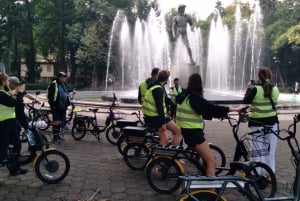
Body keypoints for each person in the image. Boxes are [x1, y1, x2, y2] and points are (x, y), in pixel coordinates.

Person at [176, 73, 243, 176]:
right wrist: (234, 109)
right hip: (194, 135)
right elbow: (211, 107)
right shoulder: (194, 98)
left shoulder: (185, 96)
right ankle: (210, 189)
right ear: (199, 84)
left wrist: (219, 115)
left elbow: (202, 111)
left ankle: (205, 176)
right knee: (211, 162)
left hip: (188, 133)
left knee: (207, 159)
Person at [243, 67, 279, 174]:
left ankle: (256, 174)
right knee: (270, 151)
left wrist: (249, 88)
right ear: (270, 76)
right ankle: (270, 174)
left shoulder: (255, 90)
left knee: (256, 151)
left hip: (256, 125)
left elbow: (245, 101)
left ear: (259, 77)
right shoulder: (276, 89)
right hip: (272, 124)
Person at [142, 70, 182, 146]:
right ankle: (165, 156)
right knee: (167, 137)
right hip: (156, 117)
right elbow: (159, 106)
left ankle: (169, 153)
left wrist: (175, 106)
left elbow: (165, 99)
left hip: (153, 116)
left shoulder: (154, 86)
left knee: (176, 131)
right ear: (166, 80)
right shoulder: (158, 89)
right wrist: (163, 123)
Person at [0, 72, 27, 176]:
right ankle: (13, 168)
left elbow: (11, 95)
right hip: (4, 125)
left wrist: (17, 90)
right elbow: (14, 103)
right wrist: (19, 92)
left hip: (9, 124)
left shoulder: (3, 92)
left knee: (16, 146)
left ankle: (14, 168)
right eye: (7, 80)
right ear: (3, 82)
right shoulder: (1, 93)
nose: (8, 82)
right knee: (2, 152)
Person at [47, 72, 71, 143]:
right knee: (56, 122)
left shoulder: (64, 84)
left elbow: (65, 92)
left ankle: (58, 136)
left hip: (63, 106)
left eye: (65, 77)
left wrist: (72, 91)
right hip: (56, 107)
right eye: (64, 77)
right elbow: (50, 96)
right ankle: (55, 138)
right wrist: (52, 105)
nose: (65, 78)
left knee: (60, 121)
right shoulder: (54, 84)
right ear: (59, 78)